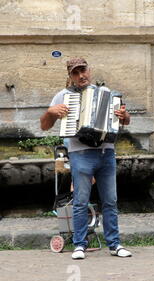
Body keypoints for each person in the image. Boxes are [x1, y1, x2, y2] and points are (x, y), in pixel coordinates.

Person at [40, 57, 132, 259]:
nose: (81, 75)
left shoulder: (107, 93)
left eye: (83, 70)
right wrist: (51, 112)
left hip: (106, 151)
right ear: (70, 76)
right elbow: (44, 126)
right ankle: (79, 245)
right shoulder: (63, 96)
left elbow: (124, 120)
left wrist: (123, 116)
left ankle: (115, 244)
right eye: (76, 72)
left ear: (89, 70)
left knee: (111, 201)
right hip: (79, 153)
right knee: (81, 201)